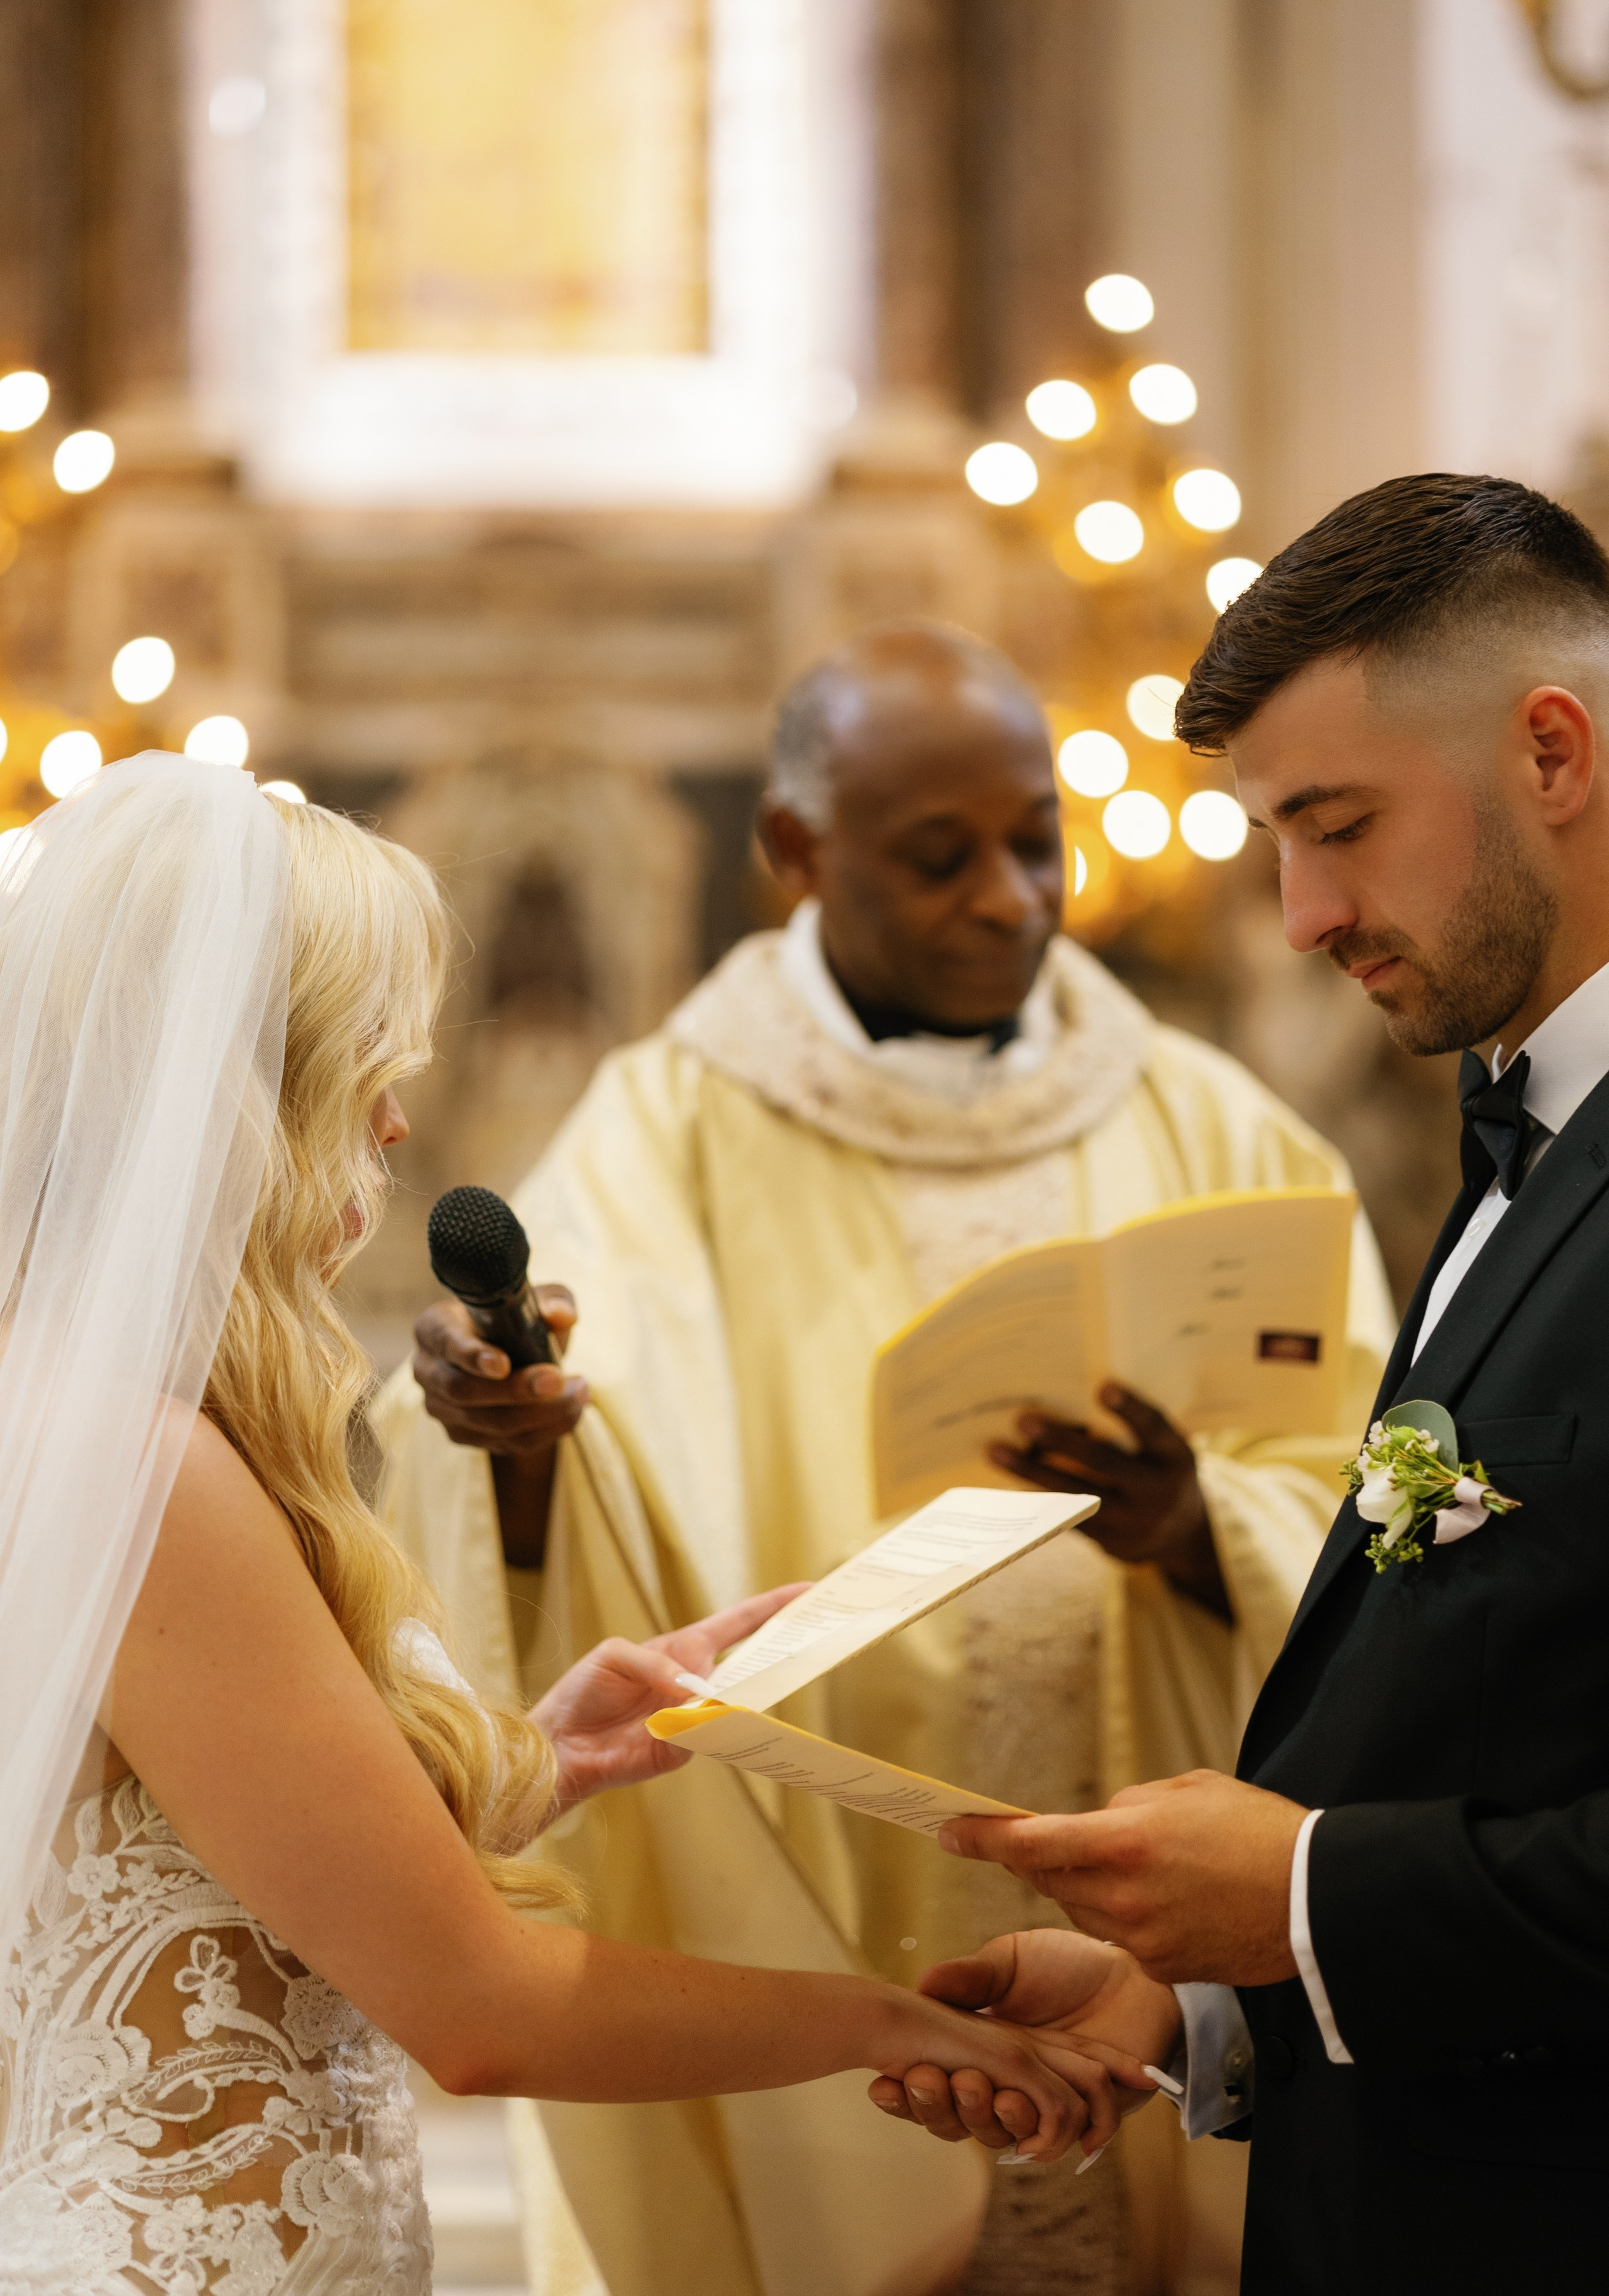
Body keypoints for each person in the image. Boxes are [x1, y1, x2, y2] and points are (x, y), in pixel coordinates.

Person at [0, 754, 1136, 2296]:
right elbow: (482, 2011)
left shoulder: (74, 1412)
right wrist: (895, 2019)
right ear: (237, 1089)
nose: (396, 1120)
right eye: (363, 1065)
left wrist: (542, 1756)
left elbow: (234, 1879)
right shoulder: (142, 1462)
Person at [377, 622, 1396, 2295]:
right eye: (938, 858)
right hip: (835, 1890)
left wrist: (1196, 1523)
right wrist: (512, 1439)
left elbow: (1368, 1501)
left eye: (1035, 843)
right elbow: (574, 1466)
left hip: (1155, 1921)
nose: (1008, 898)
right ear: (797, 849)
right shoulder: (665, 1131)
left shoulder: (1214, 1123)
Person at [900, 473, 1609, 2293]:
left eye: (1338, 826)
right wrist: (1200, 1988)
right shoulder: (1528, 1126)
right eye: (1274, 845)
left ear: (1551, 751)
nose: (1300, 916)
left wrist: (1298, 1895)